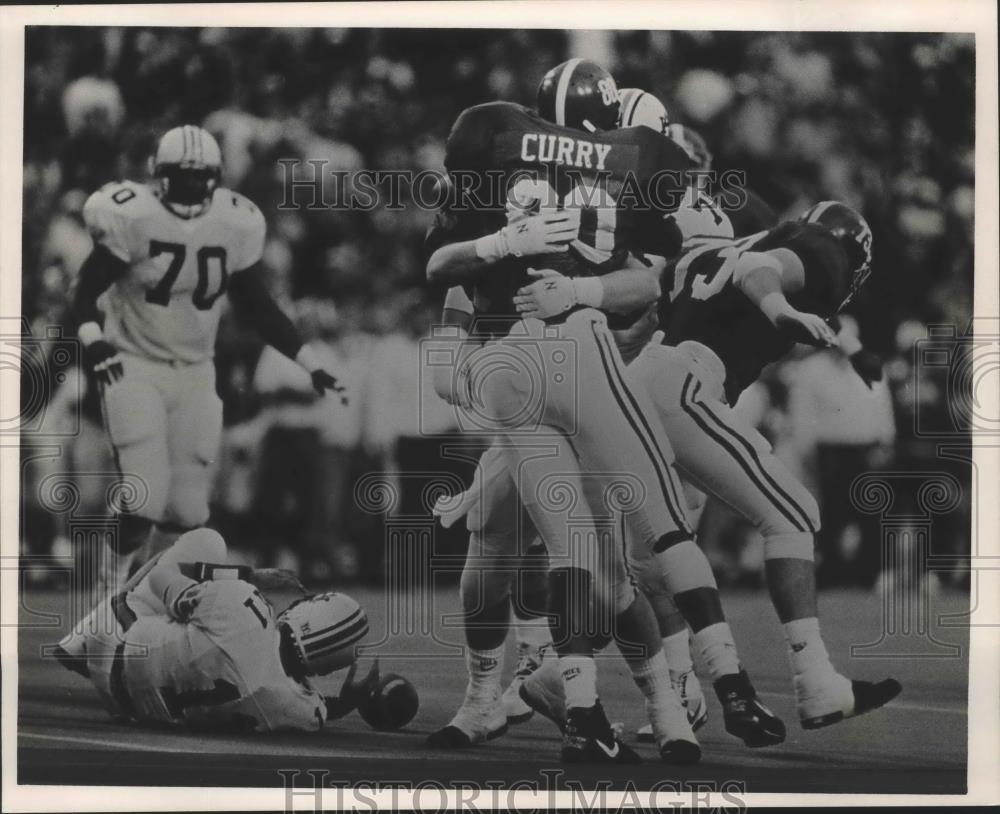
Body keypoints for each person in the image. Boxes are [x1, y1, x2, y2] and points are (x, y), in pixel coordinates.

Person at [424, 59, 782, 764]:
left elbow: (646, 295)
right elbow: (455, 287)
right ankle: (505, 692)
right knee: (501, 552)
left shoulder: (641, 202)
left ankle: (670, 697)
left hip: (602, 380)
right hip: (544, 377)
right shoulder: (551, 183)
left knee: (620, 573)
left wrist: (583, 297)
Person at [516, 198, 902, 732]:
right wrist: (779, 311)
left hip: (634, 387)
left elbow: (735, 271)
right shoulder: (821, 251)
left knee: (654, 563)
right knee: (794, 513)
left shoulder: (701, 254)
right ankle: (815, 682)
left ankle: (579, 680)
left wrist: (853, 348)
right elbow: (759, 272)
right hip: (685, 386)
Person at [73, 125, 347, 593]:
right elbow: (82, 292)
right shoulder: (133, 216)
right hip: (134, 364)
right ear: (159, 175)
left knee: (188, 512)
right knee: (143, 495)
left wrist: (307, 359)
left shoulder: (231, 223)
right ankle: (107, 589)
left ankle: (145, 597)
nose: (193, 186)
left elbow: (256, 304)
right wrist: (95, 340)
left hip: (198, 371)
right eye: (183, 176)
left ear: (217, 178)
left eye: (202, 177)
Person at [53, 528, 377, 732]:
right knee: (196, 635)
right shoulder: (303, 712)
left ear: (309, 614)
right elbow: (318, 704)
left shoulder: (244, 607)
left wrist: (248, 576)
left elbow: (162, 575)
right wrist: (349, 702)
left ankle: (82, 635)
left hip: (110, 645)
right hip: (129, 710)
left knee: (207, 541)